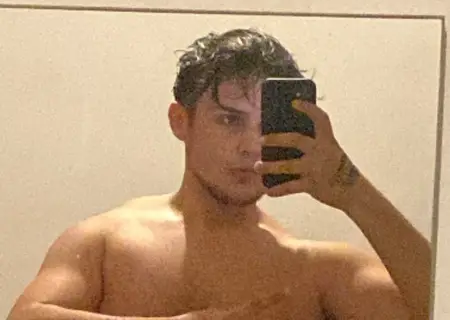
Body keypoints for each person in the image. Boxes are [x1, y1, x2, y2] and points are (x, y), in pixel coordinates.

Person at [7, 28, 431, 320]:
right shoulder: (109, 242)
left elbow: (436, 307)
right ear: (181, 121)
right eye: (230, 120)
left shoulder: (315, 269)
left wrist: (349, 188)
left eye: (266, 125)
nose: (251, 145)